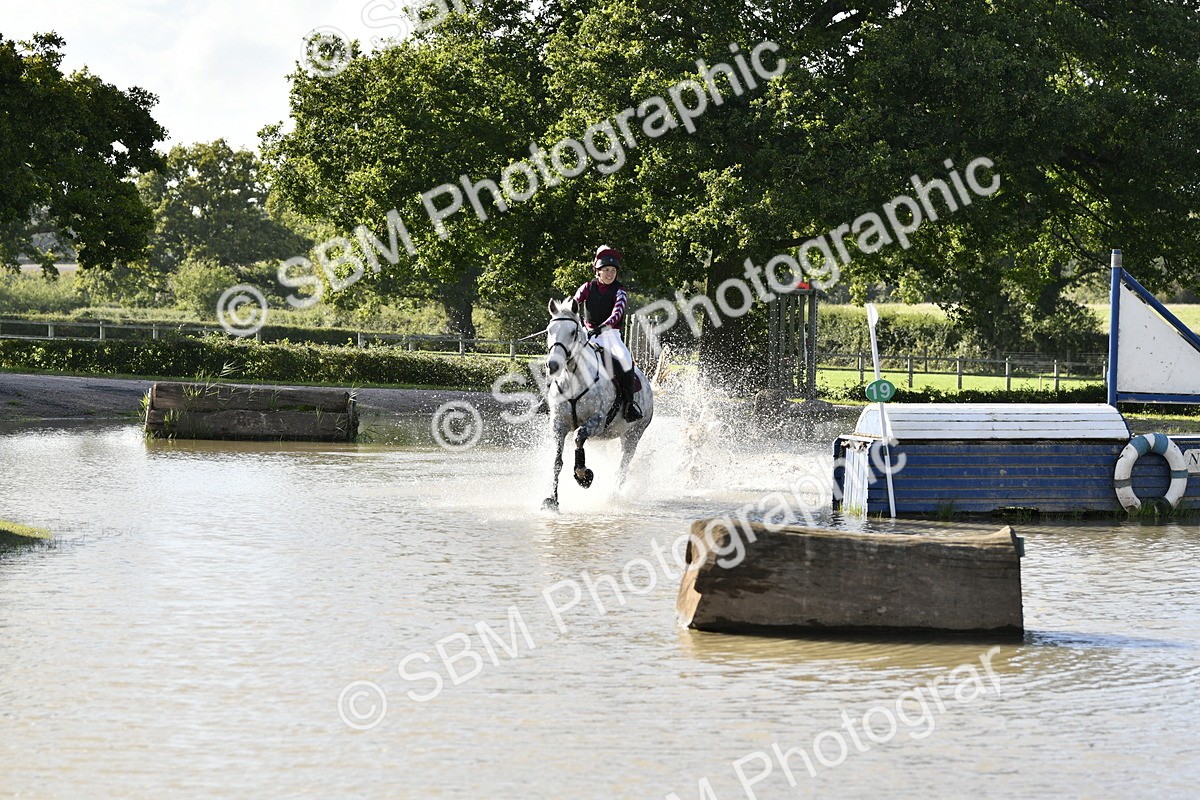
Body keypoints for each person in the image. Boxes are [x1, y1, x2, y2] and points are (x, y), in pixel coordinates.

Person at [572, 245, 643, 421]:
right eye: (606, 270)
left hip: (610, 337)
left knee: (626, 363)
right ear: (598, 271)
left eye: (613, 270)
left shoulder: (620, 291)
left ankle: (629, 405)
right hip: (586, 334)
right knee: (561, 354)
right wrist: (570, 319)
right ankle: (548, 396)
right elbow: (574, 304)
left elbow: (616, 314)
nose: (610, 273)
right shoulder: (587, 287)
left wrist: (601, 327)